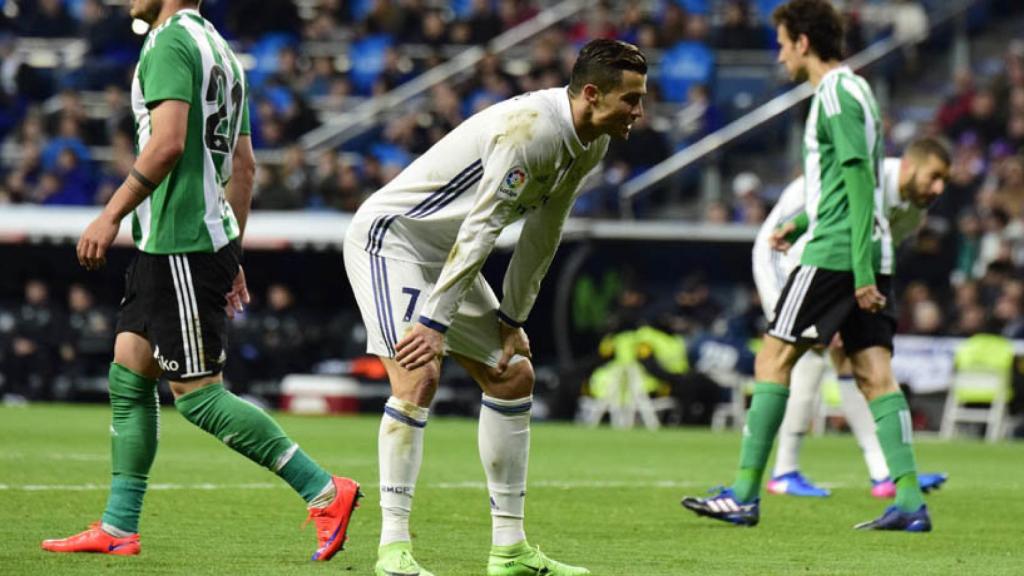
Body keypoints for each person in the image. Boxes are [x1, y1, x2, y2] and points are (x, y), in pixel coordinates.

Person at [41, 0, 360, 560]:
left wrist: (110, 213)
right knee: (128, 376)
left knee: (199, 397)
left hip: (179, 244)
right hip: (179, 245)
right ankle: (119, 527)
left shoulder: (169, 45)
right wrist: (232, 252)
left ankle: (324, 490)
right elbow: (245, 165)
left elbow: (165, 145)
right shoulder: (221, 51)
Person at [343, 38, 647, 576]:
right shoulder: (530, 130)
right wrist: (434, 324)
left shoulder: (592, 142)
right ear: (593, 95)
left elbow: (543, 231)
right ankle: (393, 550)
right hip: (393, 241)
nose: (639, 112)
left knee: (512, 376)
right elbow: (483, 226)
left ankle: (509, 551)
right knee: (418, 377)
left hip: (446, 254)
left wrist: (512, 319)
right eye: (631, 100)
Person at [682, 0, 933, 532]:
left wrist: (858, 270)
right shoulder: (856, 89)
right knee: (873, 375)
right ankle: (910, 502)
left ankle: (747, 492)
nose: (778, 55)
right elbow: (844, 185)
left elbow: (861, 180)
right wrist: (796, 225)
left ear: (802, 42)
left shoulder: (836, 94)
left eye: (781, 43)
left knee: (772, 360)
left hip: (838, 254)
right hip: (859, 246)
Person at [753, 138, 952, 499]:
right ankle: (784, 471)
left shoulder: (914, 209)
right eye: (933, 177)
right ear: (908, 166)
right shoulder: (867, 178)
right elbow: (811, 226)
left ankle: (883, 473)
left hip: (839, 270)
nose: (938, 189)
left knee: (856, 359)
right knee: (807, 351)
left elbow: (877, 250)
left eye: (944, 182)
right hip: (785, 255)